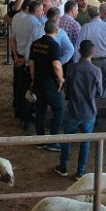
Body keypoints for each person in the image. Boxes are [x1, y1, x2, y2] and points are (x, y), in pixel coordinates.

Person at [55, 39, 103, 180]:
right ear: (93, 53)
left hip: (73, 110)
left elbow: (67, 91)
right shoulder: (96, 71)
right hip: (89, 112)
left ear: (79, 51)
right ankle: (80, 171)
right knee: (85, 142)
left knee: (67, 139)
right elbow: (99, 93)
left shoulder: (71, 68)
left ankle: (63, 166)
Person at [29, 20, 65, 152]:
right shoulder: (54, 45)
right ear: (56, 31)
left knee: (41, 110)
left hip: (38, 81)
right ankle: (53, 141)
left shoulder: (35, 44)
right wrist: (61, 79)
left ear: (45, 29)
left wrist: (33, 80)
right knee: (59, 109)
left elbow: (31, 65)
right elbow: (56, 65)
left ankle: (40, 140)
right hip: (50, 83)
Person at [10, 0, 43, 129]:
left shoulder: (20, 19)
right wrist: (26, 59)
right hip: (28, 59)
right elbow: (32, 44)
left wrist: (16, 56)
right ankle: (26, 115)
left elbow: (13, 38)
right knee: (28, 88)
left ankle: (18, 111)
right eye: (41, 10)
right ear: (36, 11)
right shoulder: (36, 24)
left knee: (19, 85)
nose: (42, 12)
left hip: (19, 55)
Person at [73, 6, 106, 99]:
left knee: (89, 88)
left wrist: (76, 63)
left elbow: (78, 46)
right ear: (100, 14)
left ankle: (91, 109)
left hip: (90, 62)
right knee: (103, 89)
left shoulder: (86, 27)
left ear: (89, 16)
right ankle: (101, 110)